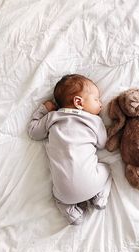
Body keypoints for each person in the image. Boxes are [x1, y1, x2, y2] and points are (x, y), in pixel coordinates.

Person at [28, 74, 112, 225]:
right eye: (96, 99)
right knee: (107, 168)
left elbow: (33, 132)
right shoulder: (94, 120)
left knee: (58, 198)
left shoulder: (52, 117)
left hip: (64, 194)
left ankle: (71, 213)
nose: (100, 104)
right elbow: (103, 143)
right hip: (92, 184)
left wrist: (43, 109)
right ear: (78, 102)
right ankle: (100, 197)